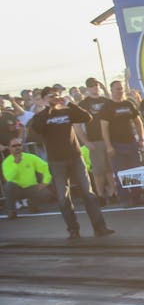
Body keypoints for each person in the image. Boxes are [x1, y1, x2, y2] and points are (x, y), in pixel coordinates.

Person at [30, 86, 113, 239]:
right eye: (50, 96)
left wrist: (69, 103)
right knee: (63, 197)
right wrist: (49, 108)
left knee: (88, 193)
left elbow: (86, 117)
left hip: (75, 157)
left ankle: (100, 227)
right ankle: (73, 229)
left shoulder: (67, 111)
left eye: (55, 95)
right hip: (56, 161)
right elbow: (37, 128)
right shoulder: (41, 115)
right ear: (43, 99)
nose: (54, 98)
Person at [100, 80, 144, 207]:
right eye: (117, 89)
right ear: (111, 90)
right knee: (120, 173)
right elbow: (104, 128)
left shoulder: (128, 104)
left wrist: (141, 139)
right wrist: (109, 146)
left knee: (134, 171)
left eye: (121, 89)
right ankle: (125, 199)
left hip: (131, 142)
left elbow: (138, 122)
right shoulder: (107, 107)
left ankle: (137, 197)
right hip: (116, 145)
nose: (120, 91)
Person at [76, 77, 115, 204]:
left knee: (110, 169)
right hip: (94, 140)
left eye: (96, 85)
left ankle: (113, 193)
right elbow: (77, 125)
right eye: (92, 86)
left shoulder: (106, 101)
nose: (95, 87)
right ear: (87, 88)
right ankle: (100, 195)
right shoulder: (83, 104)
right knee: (98, 171)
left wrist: (105, 89)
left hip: (110, 139)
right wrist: (86, 142)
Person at [3, 138, 52, 218]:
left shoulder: (30, 157)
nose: (17, 147)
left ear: (22, 146)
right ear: (9, 148)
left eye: (19, 145)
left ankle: (32, 204)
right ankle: (11, 211)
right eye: (14, 146)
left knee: (46, 194)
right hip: (17, 190)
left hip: (31, 188)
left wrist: (45, 182)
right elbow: (9, 178)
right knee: (8, 186)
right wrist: (16, 164)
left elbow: (45, 167)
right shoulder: (7, 162)